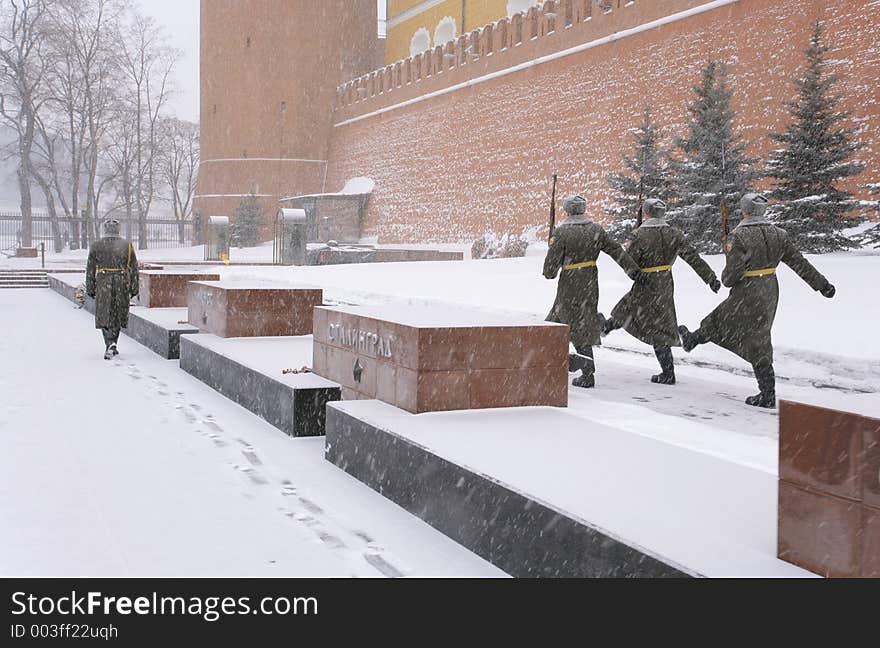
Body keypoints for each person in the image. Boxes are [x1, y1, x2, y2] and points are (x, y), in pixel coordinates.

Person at [678, 193, 836, 408]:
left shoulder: (738, 236)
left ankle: (767, 395)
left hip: (747, 291)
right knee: (745, 329)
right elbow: (799, 263)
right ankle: (692, 340)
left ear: (744, 211)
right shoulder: (779, 234)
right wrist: (822, 285)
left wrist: (725, 273)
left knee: (733, 328)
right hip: (769, 289)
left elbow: (731, 276)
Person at [599, 199, 720, 385]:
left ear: (646, 213)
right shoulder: (674, 233)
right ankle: (606, 327)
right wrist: (710, 278)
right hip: (665, 282)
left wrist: (634, 273)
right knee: (637, 311)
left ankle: (667, 373)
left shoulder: (639, 234)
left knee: (644, 318)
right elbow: (693, 258)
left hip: (645, 281)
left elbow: (629, 259)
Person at [544, 195, 641, 388]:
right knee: (565, 323)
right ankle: (564, 364)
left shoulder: (562, 232)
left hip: (569, 285)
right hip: (589, 282)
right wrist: (633, 270)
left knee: (566, 326)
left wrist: (552, 260)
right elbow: (616, 250)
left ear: (568, 211)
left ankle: (585, 371)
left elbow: (549, 271)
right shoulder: (595, 229)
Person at [86, 218, 139, 360]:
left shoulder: (96, 245)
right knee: (117, 314)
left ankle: (109, 342)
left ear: (105, 229)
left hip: (103, 282)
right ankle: (113, 342)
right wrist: (134, 287)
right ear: (118, 229)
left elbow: (90, 268)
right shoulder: (127, 245)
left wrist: (90, 287)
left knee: (104, 314)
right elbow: (134, 267)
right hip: (122, 282)